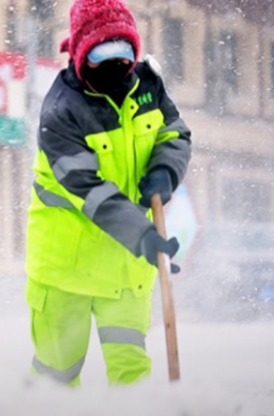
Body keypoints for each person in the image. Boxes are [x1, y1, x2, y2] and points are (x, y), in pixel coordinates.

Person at [25, 0, 191, 386]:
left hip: (125, 271)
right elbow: (90, 192)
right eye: (103, 54)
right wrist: (145, 237)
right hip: (65, 271)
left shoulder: (147, 84)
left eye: (126, 53)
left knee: (133, 378)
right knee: (56, 379)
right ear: (82, 55)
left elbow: (174, 133)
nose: (118, 65)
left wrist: (165, 172)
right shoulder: (60, 113)